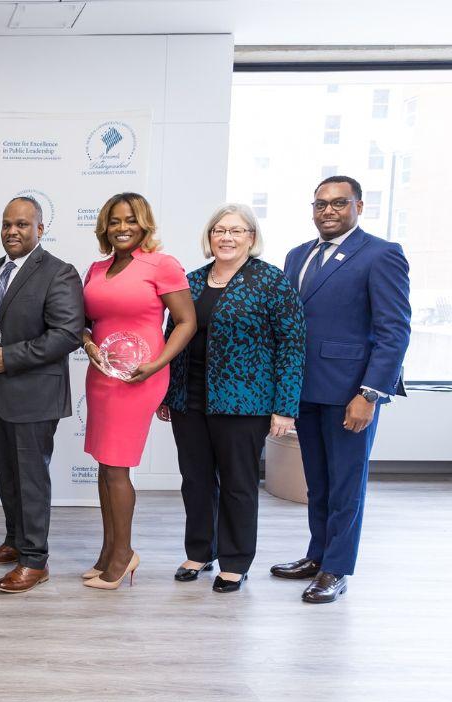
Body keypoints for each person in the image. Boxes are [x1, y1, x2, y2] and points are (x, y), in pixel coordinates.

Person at [271, 176, 410, 604]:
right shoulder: (297, 255)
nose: (328, 211)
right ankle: (317, 556)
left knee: (347, 485)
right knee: (319, 482)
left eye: (338, 203)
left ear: (359, 206)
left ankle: (337, 568)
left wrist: (369, 393)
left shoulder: (381, 254)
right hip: (305, 389)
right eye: (320, 204)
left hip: (351, 392)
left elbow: (394, 331)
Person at [158, 203, 305, 593]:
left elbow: (292, 345)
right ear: (209, 238)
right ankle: (200, 551)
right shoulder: (189, 281)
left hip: (245, 402)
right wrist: (164, 392)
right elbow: (172, 337)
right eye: (219, 230)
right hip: (189, 397)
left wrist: (285, 407)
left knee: (239, 483)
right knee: (195, 480)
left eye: (236, 231)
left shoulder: (271, 281)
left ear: (251, 238)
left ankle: (235, 561)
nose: (226, 237)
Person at [81, 192, 196, 590]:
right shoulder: (96, 268)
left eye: (130, 220)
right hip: (102, 374)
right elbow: (83, 321)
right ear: (105, 227)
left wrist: (157, 364)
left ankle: (124, 555)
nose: (122, 227)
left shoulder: (162, 265)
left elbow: (185, 322)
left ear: (144, 223)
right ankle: (108, 551)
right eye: (114, 221)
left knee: (116, 465)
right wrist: (87, 343)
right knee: (104, 464)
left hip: (140, 376)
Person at [0, 197, 83, 593]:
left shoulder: (58, 272)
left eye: (21, 224)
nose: (12, 232)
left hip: (34, 395)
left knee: (31, 478)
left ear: (40, 228)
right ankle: (15, 542)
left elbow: (67, 334)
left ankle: (35, 561)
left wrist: (10, 358)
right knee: (8, 475)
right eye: (6, 225)